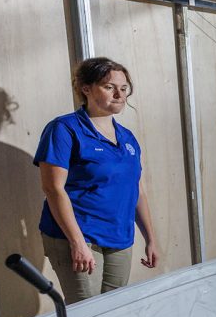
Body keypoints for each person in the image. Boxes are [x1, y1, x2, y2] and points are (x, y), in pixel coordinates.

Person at [34, 57, 158, 303]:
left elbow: (137, 191)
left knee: (113, 313)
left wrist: (151, 238)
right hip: (80, 237)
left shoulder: (127, 137)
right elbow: (53, 188)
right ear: (86, 89)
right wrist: (77, 243)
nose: (119, 94)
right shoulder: (64, 129)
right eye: (109, 87)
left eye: (123, 89)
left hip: (119, 237)